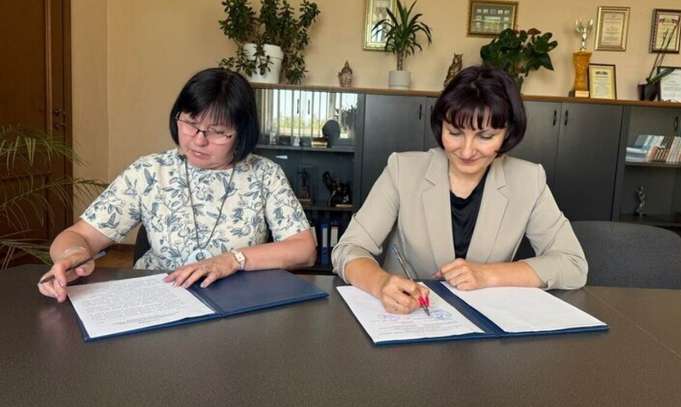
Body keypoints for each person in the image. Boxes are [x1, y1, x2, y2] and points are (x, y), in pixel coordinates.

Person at [38, 68, 316, 302]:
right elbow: (80, 235)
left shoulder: (265, 174)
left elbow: (303, 250)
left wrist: (232, 260)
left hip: (236, 301)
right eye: (191, 123)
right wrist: (73, 255)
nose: (199, 140)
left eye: (218, 132)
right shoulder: (149, 171)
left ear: (242, 133)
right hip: (159, 299)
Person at [332, 66, 587, 315]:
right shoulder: (403, 170)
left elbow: (572, 264)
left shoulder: (528, 180)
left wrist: (487, 275)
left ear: (507, 133)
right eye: (454, 132)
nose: (466, 151)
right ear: (441, 126)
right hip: (409, 318)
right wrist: (381, 284)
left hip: (487, 322)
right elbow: (349, 249)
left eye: (485, 137)